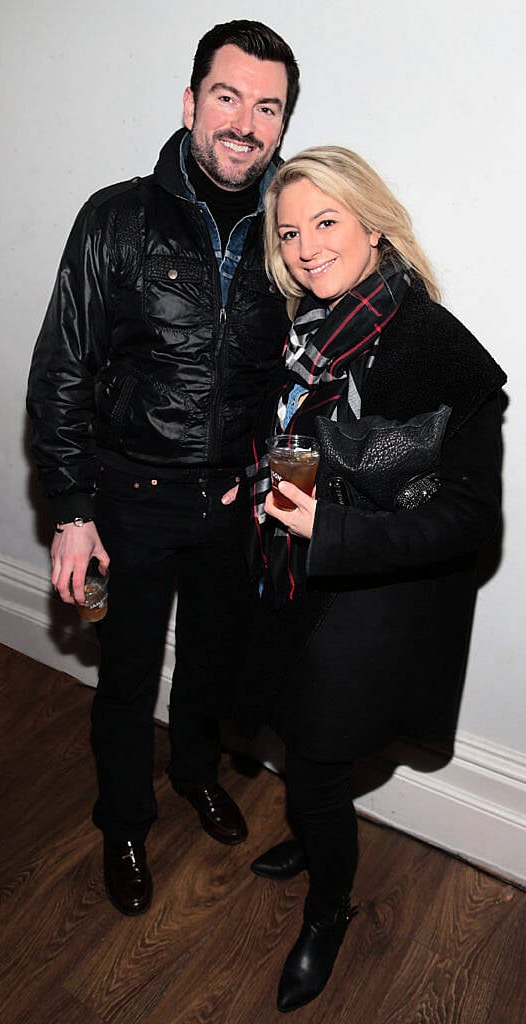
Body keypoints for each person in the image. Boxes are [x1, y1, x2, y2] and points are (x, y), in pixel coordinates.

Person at [26, 20, 299, 917]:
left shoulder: (285, 237)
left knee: (213, 666)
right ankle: (124, 822)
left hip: (231, 507)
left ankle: (193, 774)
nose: (245, 123)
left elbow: (285, 379)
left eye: (267, 108)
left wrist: (262, 478)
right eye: (228, 97)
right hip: (129, 501)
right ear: (191, 103)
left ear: (281, 125)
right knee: (128, 676)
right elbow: (62, 368)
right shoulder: (116, 217)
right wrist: (70, 506)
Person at [240, 146, 506, 1012]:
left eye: (327, 222)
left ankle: (328, 911)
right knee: (295, 742)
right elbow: (289, 440)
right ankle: (319, 843)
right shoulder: (307, 336)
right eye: (291, 232)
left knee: (315, 762)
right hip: (293, 579)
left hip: (370, 605)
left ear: (374, 224)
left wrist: (336, 530)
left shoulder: (441, 352)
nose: (308, 246)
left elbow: (471, 522)